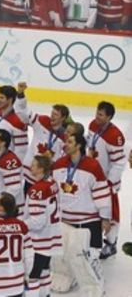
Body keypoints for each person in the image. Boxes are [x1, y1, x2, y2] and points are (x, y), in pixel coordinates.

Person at [50, 132, 111, 295]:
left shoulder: (93, 166)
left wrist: (105, 217)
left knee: (86, 257)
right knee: (62, 254)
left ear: (79, 146)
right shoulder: (58, 164)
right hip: (64, 219)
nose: (66, 144)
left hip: (87, 220)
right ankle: (66, 277)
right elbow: (54, 192)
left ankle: (94, 285)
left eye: (70, 142)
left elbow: (102, 193)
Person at [86, 101, 126, 259]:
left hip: (107, 184)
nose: (97, 116)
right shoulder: (93, 125)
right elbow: (90, 144)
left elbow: (119, 163)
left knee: (110, 214)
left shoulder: (115, 136)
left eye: (101, 115)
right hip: (92, 178)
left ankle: (111, 243)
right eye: (97, 112)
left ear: (109, 117)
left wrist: (109, 183)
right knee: (92, 210)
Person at [14, 81, 69, 188]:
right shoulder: (42, 121)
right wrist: (20, 94)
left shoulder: (65, 136)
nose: (52, 116)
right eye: (52, 113)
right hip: (30, 172)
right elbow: (23, 114)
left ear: (63, 118)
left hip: (46, 177)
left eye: (56, 115)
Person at [24, 155, 61, 296]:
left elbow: (37, 222)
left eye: (34, 165)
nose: (30, 167)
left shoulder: (37, 190)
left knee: (33, 275)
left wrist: (21, 224)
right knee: (44, 270)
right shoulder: (52, 183)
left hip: (39, 240)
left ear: (41, 169)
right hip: (52, 236)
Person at [0, 85, 29, 161]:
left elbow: (21, 151)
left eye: (2, 98)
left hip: (6, 163)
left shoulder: (18, 122)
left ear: (10, 100)